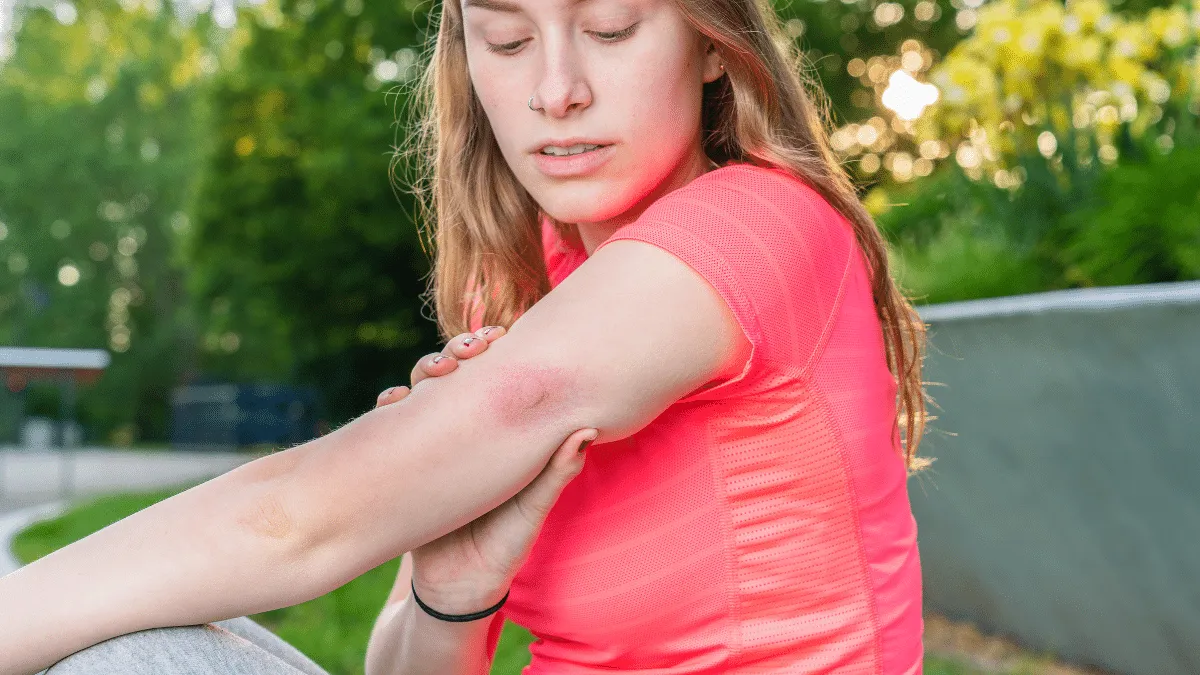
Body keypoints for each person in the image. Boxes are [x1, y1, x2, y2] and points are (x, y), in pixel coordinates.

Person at [0, 0, 936, 669]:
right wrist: (454, 586)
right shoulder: (527, 288)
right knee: (138, 635)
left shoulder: (757, 225)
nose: (556, 90)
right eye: (508, 38)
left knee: (124, 656)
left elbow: (296, 519)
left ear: (711, 42)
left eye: (611, 29)